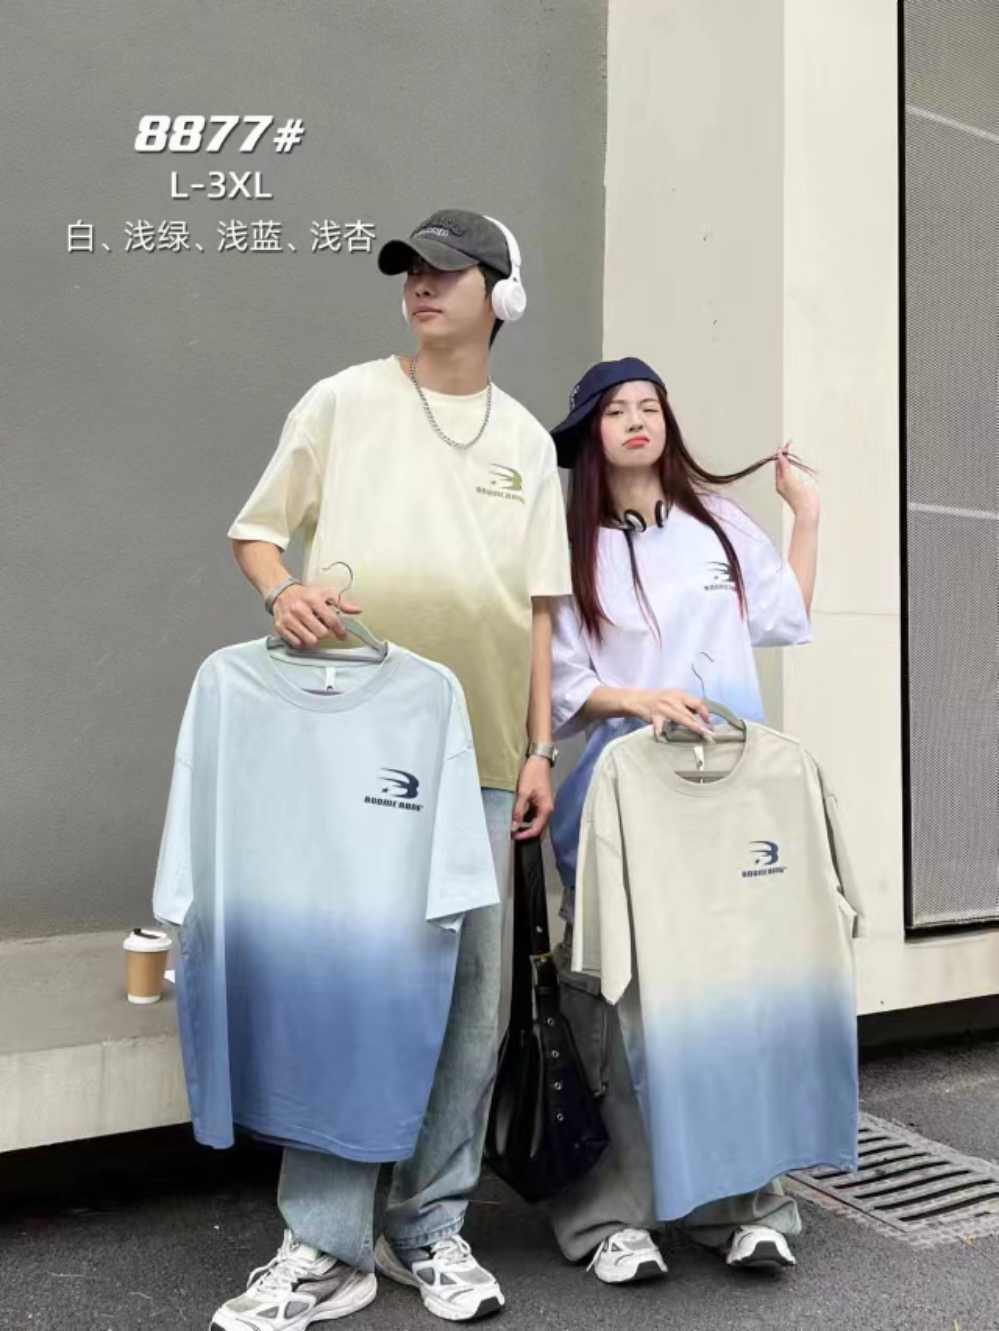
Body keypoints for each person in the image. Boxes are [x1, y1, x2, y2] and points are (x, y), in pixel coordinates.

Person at [212, 209, 571, 1329]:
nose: (421, 285)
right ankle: (326, 1240)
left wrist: (539, 748)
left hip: (484, 752)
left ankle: (427, 1226)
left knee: (468, 1005)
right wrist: (282, 591)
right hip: (351, 747)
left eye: (446, 271)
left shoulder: (527, 443)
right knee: (351, 989)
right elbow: (257, 531)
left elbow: (540, 611)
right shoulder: (343, 400)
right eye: (410, 270)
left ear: (501, 296)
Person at [544, 356, 819, 1285]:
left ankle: (742, 1203)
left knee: (731, 999)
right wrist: (639, 697)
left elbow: (784, 614)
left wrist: (806, 514)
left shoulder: (719, 524)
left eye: (650, 406)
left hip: (724, 801)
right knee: (615, 1009)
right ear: (590, 433)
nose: (636, 420)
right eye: (615, 410)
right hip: (619, 803)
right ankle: (611, 1218)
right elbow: (560, 684)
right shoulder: (567, 543)